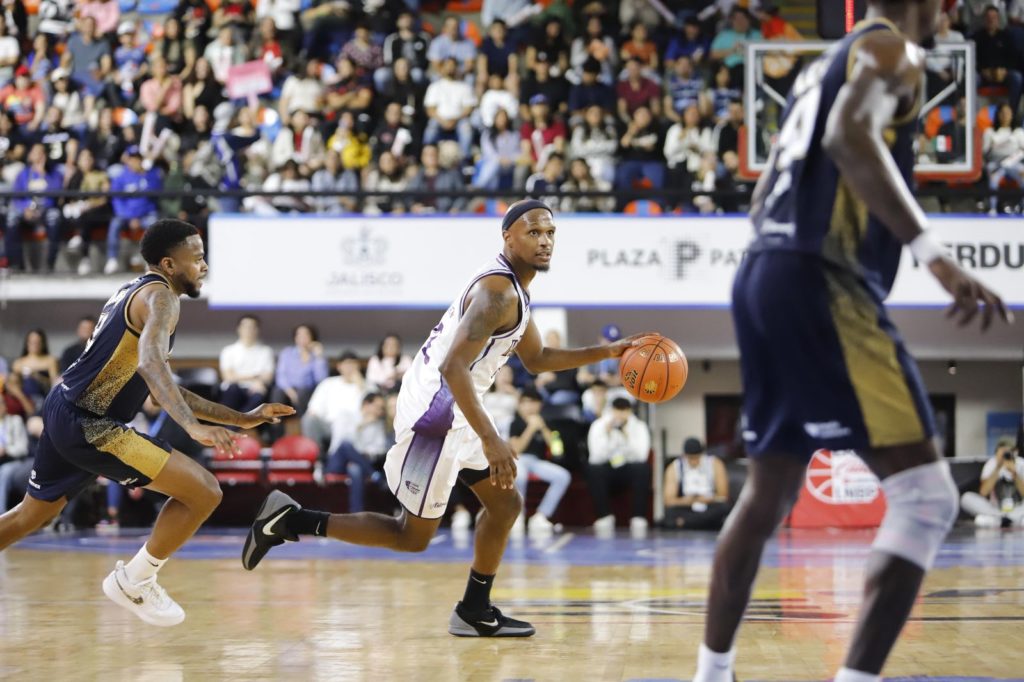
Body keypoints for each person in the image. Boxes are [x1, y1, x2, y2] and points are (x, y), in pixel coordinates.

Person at [693, 2, 1011, 681]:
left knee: (769, 494)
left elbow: (764, 193)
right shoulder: (897, 53)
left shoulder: (819, 68)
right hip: (823, 277)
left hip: (761, 271)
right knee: (927, 497)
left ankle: (711, 674)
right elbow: (847, 136)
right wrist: (934, 255)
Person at [242, 200, 649, 637]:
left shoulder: (515, 289)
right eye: (533, 232)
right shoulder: (498, 293)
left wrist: (608, 351)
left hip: (456, 407)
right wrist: (491, 438)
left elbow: (537, 358)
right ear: (508, 237)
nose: (545, 241)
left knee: (506, 504)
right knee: (411, 536)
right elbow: (453, 366)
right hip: (435, 418)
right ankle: (291, 519)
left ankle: (474, 609)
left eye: (550, 233)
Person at [0, 219, 293, 626]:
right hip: (91, 423)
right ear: (170, 264)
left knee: (29, 517)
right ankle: (134, 580)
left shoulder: (137, 291)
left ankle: (135, 580)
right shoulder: (162, 299)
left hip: (64, 406)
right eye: (197, 258)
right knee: (204, 492)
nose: (205, 266)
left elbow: (159, 386)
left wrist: (242, 419)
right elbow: (151, 366)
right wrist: (192, 427)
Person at [508, 387, 570, 537]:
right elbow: (516, 450)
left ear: (540, 405)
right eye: (526, 402)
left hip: (536, 462)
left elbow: (557, 450)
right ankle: (518, 515)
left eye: (534, 402)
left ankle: (541, 516)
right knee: (520, 474)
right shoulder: (515, 423)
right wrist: (530, 428)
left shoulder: (547, 423)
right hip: (519, 459)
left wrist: (542, 428)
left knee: (563, 476)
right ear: (520, 405)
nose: (530, 406)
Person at [587, 397, 652, 535]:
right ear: (612, 410)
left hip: (628, 468)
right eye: (617, 410)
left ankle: (638, 517)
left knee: (643, 468)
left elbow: (642, 456)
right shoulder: (599, 425)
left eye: (624, 411)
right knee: (593, 469)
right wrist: (608, 435)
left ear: (630, 411)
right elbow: (595, 457)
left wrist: (626, 437)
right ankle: (604, 516)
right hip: (607, 467)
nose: (620, 415)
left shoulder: (639, 427)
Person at [662, 437, 730, 530]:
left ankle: (683, 522)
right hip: (686, 505)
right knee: (669, 512)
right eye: (690, 458)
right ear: (684, 456)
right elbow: (669, 501)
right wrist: (686, 501)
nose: (694, 462)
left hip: (708, 503)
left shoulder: (715, 464)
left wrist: (706, 499)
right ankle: (705, 523)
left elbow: (723, 496)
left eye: (697, 458)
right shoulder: (674, 467)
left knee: (723, 508)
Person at [219, 315, 276, 415]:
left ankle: (237, 423)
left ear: (257, 330)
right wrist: (255, 376)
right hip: (234, 388)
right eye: (245, 327)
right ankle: (237, 422)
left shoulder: (266, 351)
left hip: (256, 388)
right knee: (232, 391)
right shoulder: (228, 351)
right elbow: (228, 377)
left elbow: (268, 377)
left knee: (259, 396)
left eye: (252, 327)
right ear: (239, 329)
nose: (248, 330)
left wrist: (257, 381)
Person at [960, 438, 1024, 527]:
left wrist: (1015, 474)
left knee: (981, 520)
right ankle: (1006, 518)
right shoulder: (991, 464)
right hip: (995, 509)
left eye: (1008, 452)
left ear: (1015, 452)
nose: (1006, 455)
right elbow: (984, 492)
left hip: (1018, 507)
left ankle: (1002, 519)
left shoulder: (1021, 463)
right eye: (1003, 452)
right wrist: (998, 467)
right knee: (966, 497)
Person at [271, 323, 328, 416]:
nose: (302, 337)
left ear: (313, 337)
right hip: (288, 391)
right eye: (299, 334)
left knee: (302, 392)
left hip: (307, 392)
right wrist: (291, 392)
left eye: (306, 334)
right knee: (277, 392)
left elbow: (321, 380)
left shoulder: (317, 357)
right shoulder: (287, 353)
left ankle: (305, 421)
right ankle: (276, 423)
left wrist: (319, 357)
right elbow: (281, 376)